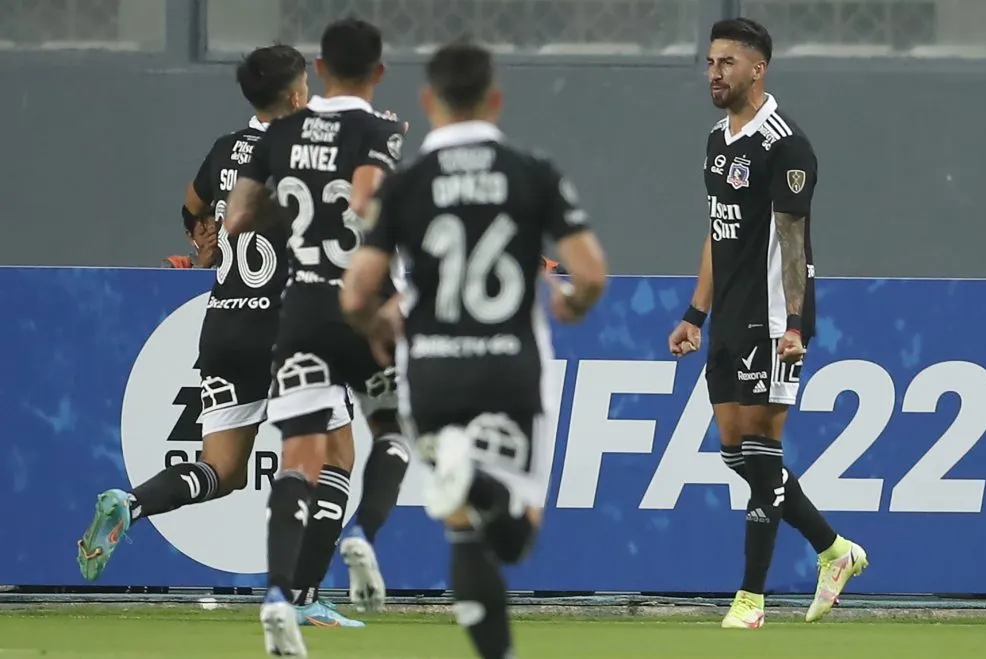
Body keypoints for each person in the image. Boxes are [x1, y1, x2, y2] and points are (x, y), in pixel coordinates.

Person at [76, 44, 362, 628]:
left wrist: (203, 246)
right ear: (296, 94)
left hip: (226, 325)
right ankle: (303, 597)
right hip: (289, 329)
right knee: (338, 455)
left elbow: (192, 205)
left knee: (224, 470)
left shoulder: (227, 149)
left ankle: (132, 504)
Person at [341, 40, 607, 659]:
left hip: (432, 370)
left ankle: (476, 488)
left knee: (463, 532)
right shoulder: (530, 170)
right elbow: (590, 273)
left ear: (428, 100)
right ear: (495, 99)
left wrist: (378, 324)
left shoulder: (405, 185)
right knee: (515, 540)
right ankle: (487, 485)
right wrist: (573, 304)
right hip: (509, 366)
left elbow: (356, 295)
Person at [668, 17, 868, 629]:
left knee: (761, 450)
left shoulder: (786, 144)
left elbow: (794, 239)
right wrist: (695, 313)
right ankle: (835, 551)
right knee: (738, 454)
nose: (714, 73)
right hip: (727, 316)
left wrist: (796, 323)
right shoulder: (715, 141)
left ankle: (750, 601)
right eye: (709, 63)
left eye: (726, 63)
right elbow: (716, 230)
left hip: (774, 316)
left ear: (758, 68)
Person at [225, 19, 411, 656]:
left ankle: (279, 595)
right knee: (392, 431)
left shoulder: (276, 133)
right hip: (360, 306)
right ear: (377, 71)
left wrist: (296, 198)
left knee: (300, 460)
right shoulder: (379, 130)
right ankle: (361, 532)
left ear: (320, 67)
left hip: (299, 309)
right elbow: (364, 201)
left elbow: (237, 219)